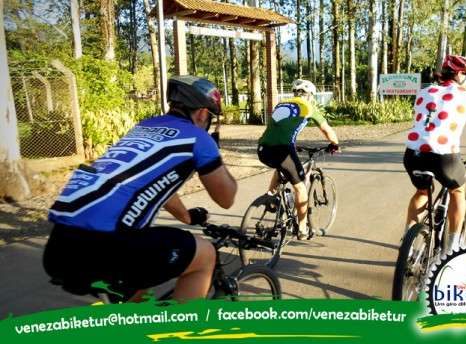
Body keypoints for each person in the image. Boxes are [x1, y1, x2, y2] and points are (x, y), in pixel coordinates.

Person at [43, 75, 237, 302]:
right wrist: (214, 154)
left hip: (59, 247)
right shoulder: (199, 139)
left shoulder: (144, 127)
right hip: (107, 246)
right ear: (203, 114)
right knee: (205, 255)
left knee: (143, 287)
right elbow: (226, 199)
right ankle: (185, 324)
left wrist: (186, 217)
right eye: (211, 117)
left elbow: (142, 180)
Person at [403, 54, 466, 252]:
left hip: (412, 154)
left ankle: (407, 244)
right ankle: (452, 248)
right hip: (444, 158)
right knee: (457, 191)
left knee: (422, 192)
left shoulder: (424, 92)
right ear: (460, 74)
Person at [257, 79, 339, 240]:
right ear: (310, 95)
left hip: (262, 149)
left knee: (281, 167)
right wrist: (335, 144)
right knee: (300, 187)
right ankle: (302, 229)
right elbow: (326, 129)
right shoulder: (309, 107)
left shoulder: (281, 104)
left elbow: (281, 128)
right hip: (283, 150)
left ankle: (270, 197)